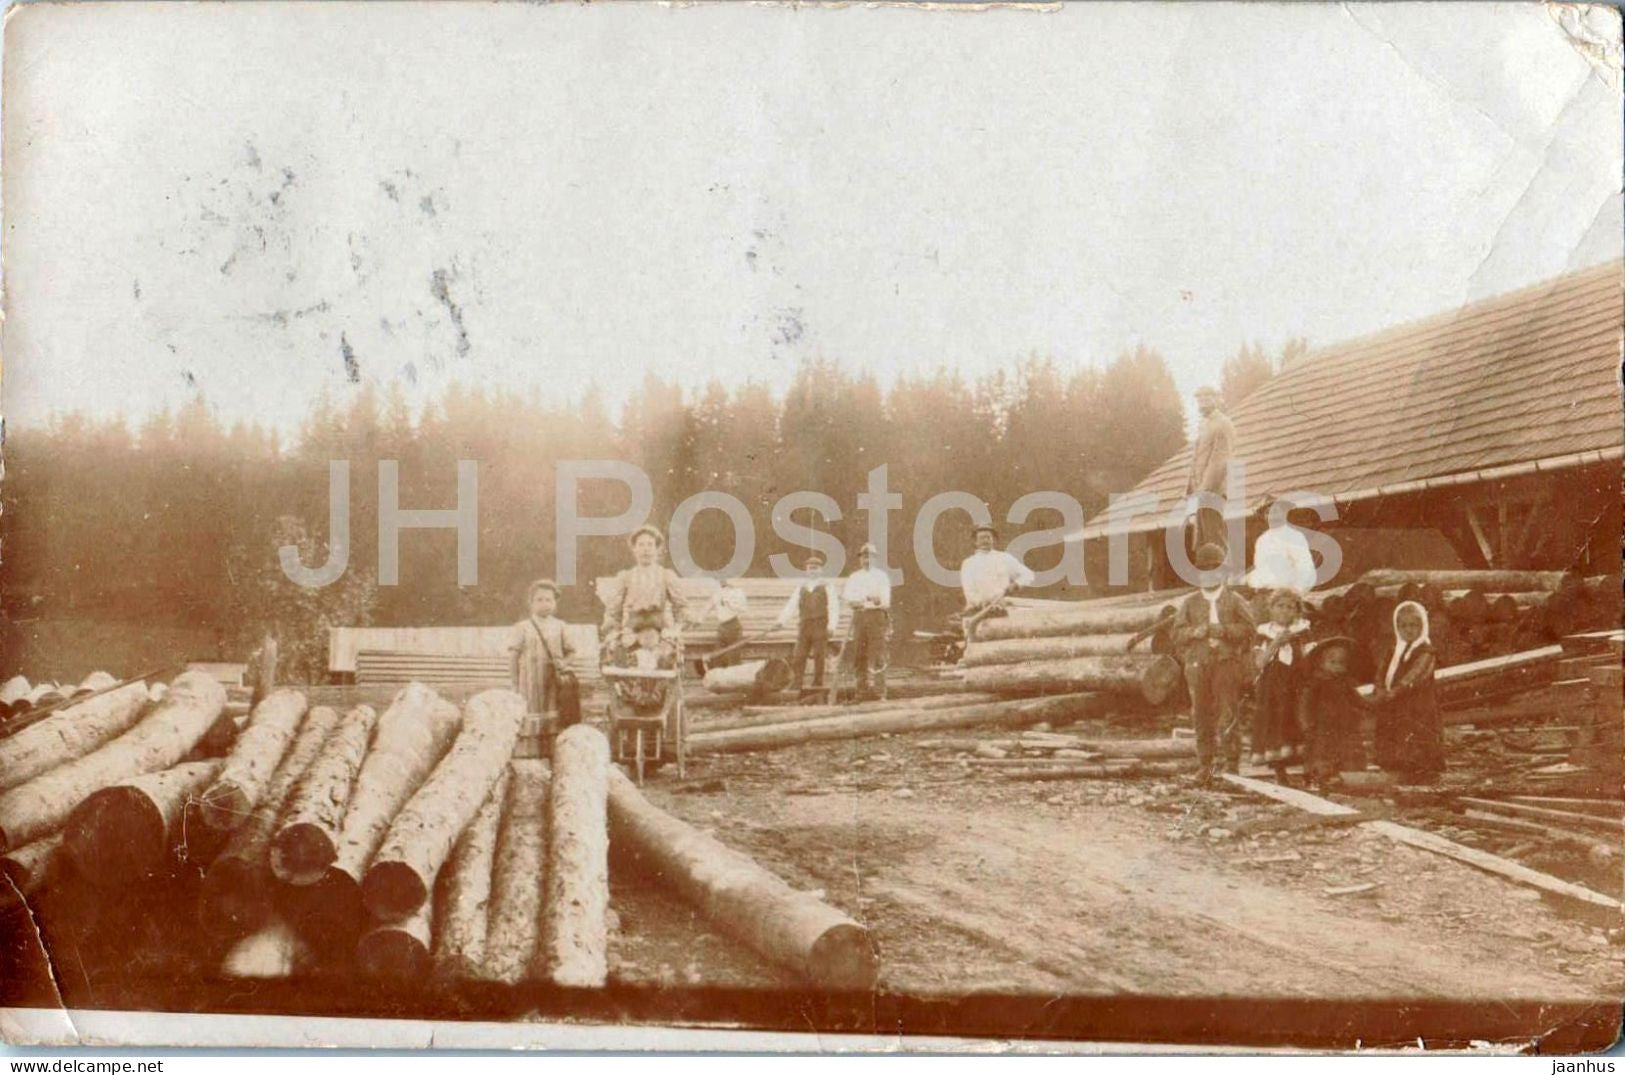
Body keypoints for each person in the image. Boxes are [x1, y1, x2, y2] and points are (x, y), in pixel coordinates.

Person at [1169, 542, 1254, 785]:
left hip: (1226, 664)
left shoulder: (1235, 600)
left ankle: (1231, 764)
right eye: (1203, 571)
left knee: (1228, 712)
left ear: (1224, 573)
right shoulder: (1189, 603)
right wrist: (1194, 632)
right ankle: (1205, 764)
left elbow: (1249, 630)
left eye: (1214, 570)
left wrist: (1225, 631)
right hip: (1198, 664)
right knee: (1201, 714)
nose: (1208, 576)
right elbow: (1176, 634)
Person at [1372, 600, 1444, 783]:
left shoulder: (1426, 651)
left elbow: (1417, 673)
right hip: (1393, 700)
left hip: (1416, 702)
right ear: (1397, 628)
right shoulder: (1394, 650)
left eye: (1414, 625)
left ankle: (1420, 767)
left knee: (1415, 731)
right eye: (1403, 626)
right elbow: (1382, 671)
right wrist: (1380, 687)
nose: (1409, 630)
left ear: (1422, 626)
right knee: (1393, 729)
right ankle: (1394, 764)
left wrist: (1398, 689)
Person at [1250, 589, 1311, 783]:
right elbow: (1259, 662)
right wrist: (1275, 643)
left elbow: (1311, 657)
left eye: (1290, 607)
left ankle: (1307, 771)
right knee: (1275, 723)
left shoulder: (1303, 631)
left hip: (1296, 685)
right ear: (1270, 609)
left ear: (1297, 611)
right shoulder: (1263, 632)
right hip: (1272, 687)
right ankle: (1280, 772)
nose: (1284, 611)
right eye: (1280, 606)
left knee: (1299, 721)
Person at [599, 524, 689, 648]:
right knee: (621, 652)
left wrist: (675, 629)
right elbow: (613, 611)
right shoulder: (625, 577)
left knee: (666, 653)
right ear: (634, 549)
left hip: (660, 629)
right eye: (641, 545)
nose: (645, 549)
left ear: (657, 549)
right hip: (632, 629)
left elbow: (682, 607)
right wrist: (614, 631)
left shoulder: (666, 575)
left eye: (650, 545)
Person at [1298, 636, 1369, 790]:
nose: (1337, 667)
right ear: (1321, 663)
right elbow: (1305, 704)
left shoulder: (1345, 683)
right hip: (1321, 725)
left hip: (1341, 724)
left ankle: (1334, 774)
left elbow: (1357, 699)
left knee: (1339, 750)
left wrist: (1370, 704)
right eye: (1332, 662)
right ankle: (1317, 776)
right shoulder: (1316, 683)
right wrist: (1306, 724)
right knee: (1320, 751)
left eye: (1341, 663)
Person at [507, 578, 579, 722]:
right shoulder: (522, 627)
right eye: (539, 600)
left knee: (552, 717)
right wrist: (514, 684)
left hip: (552, 681)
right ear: (531, 603)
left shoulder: (561, 626)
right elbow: (513, 657)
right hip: (528, 682)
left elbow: (572, 651)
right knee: (529, 718)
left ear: (555, 603)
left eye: (548, 600)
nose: (544, 604)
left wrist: (564, 664)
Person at [776, 550, 840, 696]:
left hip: (820, 624)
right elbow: (791, 606)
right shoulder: (801, 587)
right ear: (806, 570)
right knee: (799, 655)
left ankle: (818, 683)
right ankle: (797, 682)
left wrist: (832, 626)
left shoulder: (827, 586)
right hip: (804, 625)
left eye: (815, 568)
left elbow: (834, 607)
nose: (812, 571)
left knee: (819, 655)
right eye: (810, 568)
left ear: (820, 570)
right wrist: (781, 621)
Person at [959, 524, 1035, 638]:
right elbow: (969, 590)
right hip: (977, 612)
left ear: (993, 540)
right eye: (981, 538)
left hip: (1001, 611)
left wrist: (1016, 584)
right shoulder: (969, 563)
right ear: (975, 542)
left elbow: (1028, 575)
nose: (985, 541)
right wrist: (981, 603)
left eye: (988, 537)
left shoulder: (1005, 558)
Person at [1184, 386, 1235, 552]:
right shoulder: (1204, 425)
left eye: (1207, 399)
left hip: (1212, 491)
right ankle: (1208, 574)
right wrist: (1191, 489)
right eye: (1199, 400)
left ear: (1217, 399)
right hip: (1201, 492)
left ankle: (1221, 575)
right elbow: (1196, 460)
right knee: (1202, 541)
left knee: (1214, 539)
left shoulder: (1223, 424)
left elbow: (1219, 461)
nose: (1202, 403)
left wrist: (1205, 490)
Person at [841, 542, 893, 701]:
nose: (866, 560)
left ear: (875, 558)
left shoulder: (881, 576)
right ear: (860, 559)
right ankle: (861, 691)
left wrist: (866, 599)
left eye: (870, 557)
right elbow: (849, 599)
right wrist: (868, 598)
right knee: (859, 654)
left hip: (876, 617)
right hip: (860, 618)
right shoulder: (854, 577)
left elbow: (884, 601)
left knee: (878, 654)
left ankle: (880, 692)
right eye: (864, 557)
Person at [1247, 497, 1319, 596]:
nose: (1272, 515)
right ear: (1264, 516)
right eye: (1268, 512)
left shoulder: (1295, 536)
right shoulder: (1262, 540)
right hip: (1266, 592)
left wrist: (1297, 590)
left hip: (1288, 591)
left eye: (1275, 511)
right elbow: (1260, 568)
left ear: (1283, 513)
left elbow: (1306, 566)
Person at [702, 577, 750, 668]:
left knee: (733, 659)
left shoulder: (737, 592)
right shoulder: (717, 593)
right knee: (718, 656)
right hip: (722, 628)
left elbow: (743, 608)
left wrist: (729, 603)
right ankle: (718, 677)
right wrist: (699, 618)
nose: (722, 580)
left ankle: (734, 679)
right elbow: (708, 606)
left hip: (733, 626)